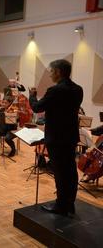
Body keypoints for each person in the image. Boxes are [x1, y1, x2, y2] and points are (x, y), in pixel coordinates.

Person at [29, 59, 83, 216]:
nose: (50, 74)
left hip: (56, 138)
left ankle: (60, 206)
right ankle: (69, 204)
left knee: (59, 172)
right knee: (71, 171)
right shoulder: (78, 89)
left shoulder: (55, 90)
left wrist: (32, 95)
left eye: (51, 71)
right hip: (71, 136)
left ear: (58, 72)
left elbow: (37, 107)